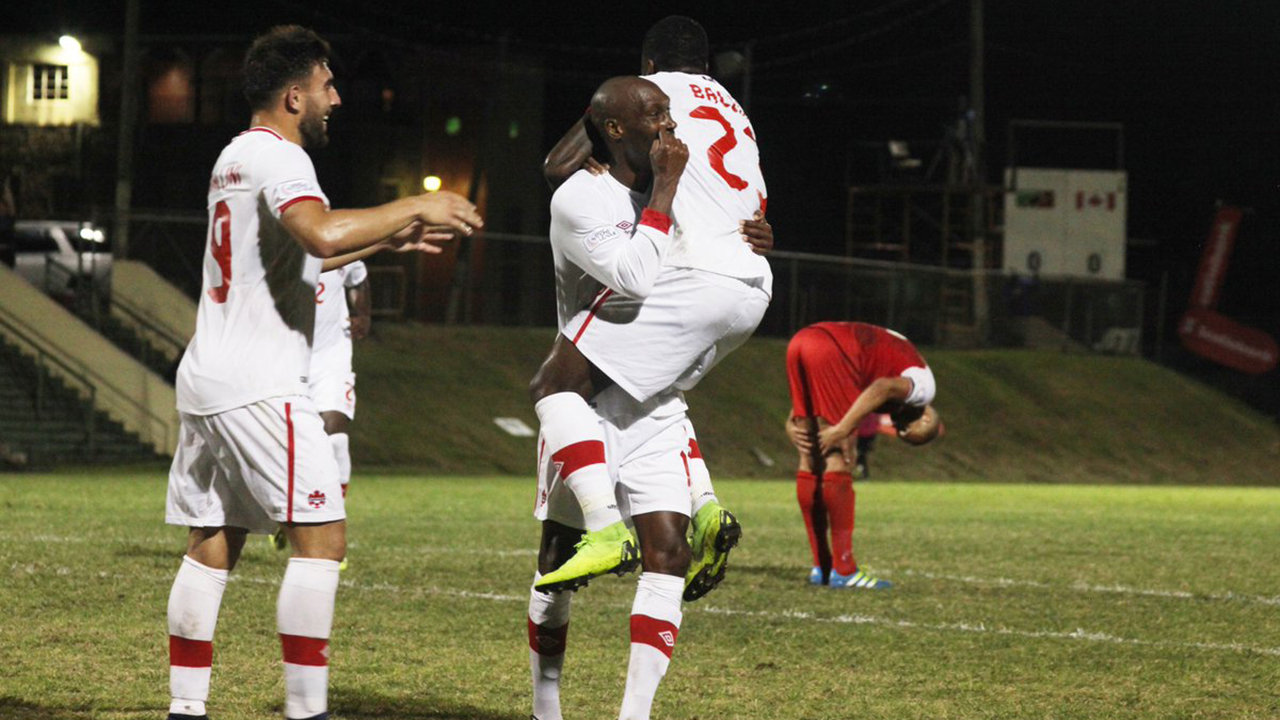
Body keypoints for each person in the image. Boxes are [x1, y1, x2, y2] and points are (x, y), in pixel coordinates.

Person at [162, 26, 480, 720]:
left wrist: (391, 236)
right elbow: (321, 233)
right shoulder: (283, 157)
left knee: (213, 540)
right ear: (293, 94)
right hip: (259, 381)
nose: (337, 97)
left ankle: (185, 708)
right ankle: (308, 712)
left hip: (208, 375)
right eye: (327, 85)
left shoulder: (233, 155)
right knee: (322, 540)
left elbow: (287, 261)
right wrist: (416, 204)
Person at [531, 15, 772, 601]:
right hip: (753, 281)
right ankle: (706, 508)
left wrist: (610, 168)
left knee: (558, 382)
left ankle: (603, 528)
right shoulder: (735, 107)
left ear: (648, 66)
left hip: (691, 273)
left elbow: (558, 165)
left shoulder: (653, 96)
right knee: (651, 394)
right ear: (708, 66)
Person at [784, 322, 942, 590]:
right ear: (925, 414)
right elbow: (882, 387)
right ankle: (844, 569)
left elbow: (828, 378)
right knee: (840, 455)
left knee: (810, 455)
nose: (899, 427)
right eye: (906, 428)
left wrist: (791, 421)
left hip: (803, 340)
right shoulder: (924, 389)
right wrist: (844, 429)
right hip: (835, 348)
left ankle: (821, 567)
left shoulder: (895, 358)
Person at [270, 261, 371, 558]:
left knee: (336, 439)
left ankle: (331, 531)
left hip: (332, 359)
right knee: (291, 447)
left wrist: (363, 313)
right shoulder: (282, 241)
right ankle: (291, 514)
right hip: (285, 357)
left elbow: (359, 277)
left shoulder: (343, 240)